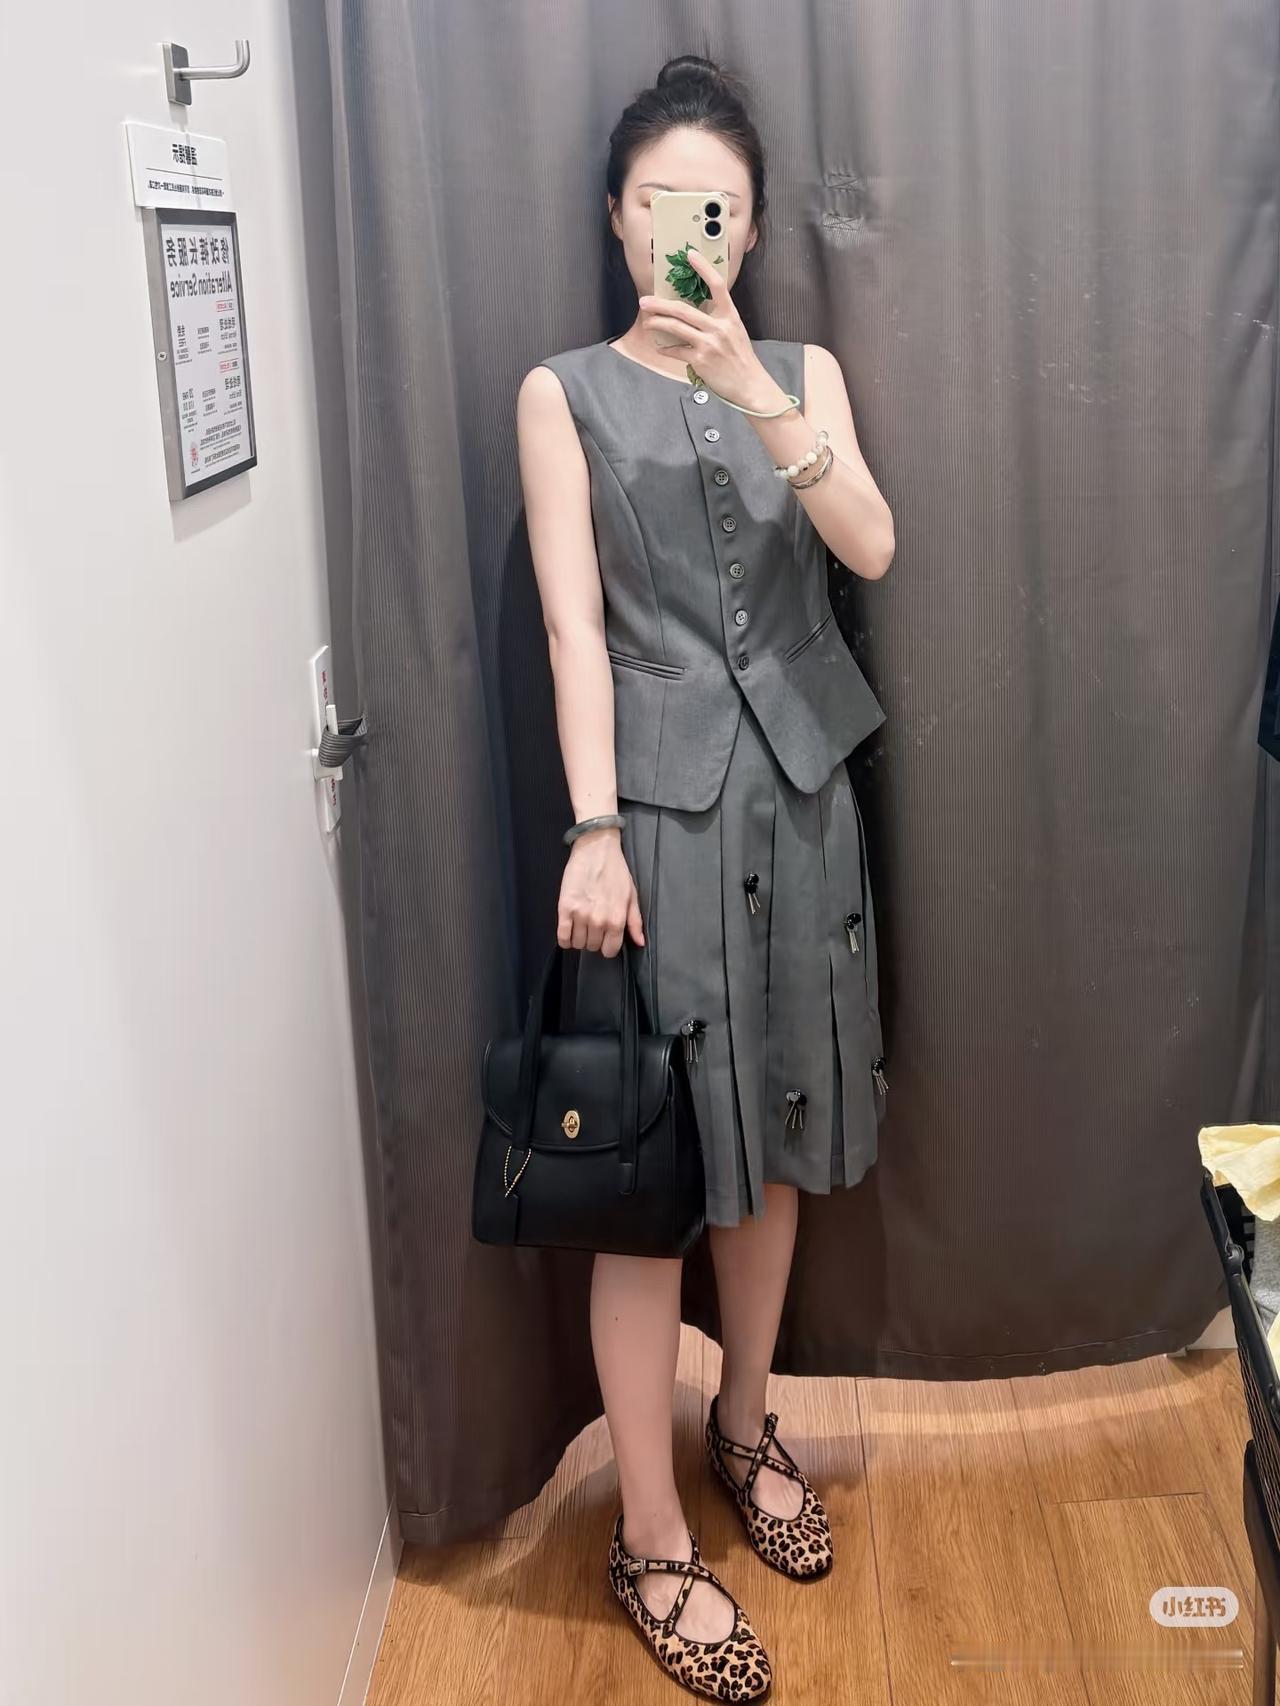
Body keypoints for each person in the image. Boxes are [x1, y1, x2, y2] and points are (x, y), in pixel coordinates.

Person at [515, 52, 895, 1704]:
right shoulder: (560, 395)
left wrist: (755, 389)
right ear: (619, 217)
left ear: (749, 230)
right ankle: (651, 1532)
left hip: (804, 806)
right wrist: (593, 827)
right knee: (652, 1170)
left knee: (784, 1129)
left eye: (723, 210)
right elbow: (572, 626)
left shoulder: (802, 369)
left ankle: (745, 1418)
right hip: (659, 826)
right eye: (669, 202)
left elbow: (872, 545)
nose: (696, 230)